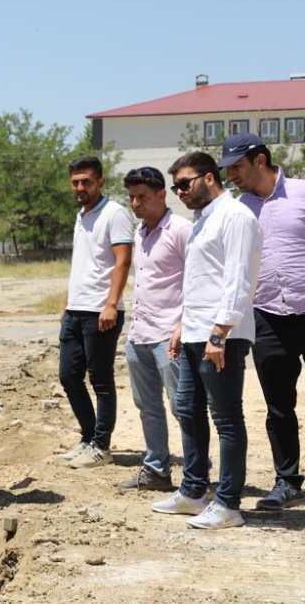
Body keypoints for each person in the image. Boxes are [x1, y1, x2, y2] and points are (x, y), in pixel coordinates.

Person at [151, 151, 262, 530]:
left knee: (227, 419)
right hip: (196, 332)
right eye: (175, 187)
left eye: (184, 183)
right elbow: (201, 279)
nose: (180, 192)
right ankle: (194, 491)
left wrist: (219, 334)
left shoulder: (236, 217)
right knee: (187, 408)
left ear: (209, 178)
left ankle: (228, 504)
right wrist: (182, 324)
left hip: (221, 336)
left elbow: (238, 280)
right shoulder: (202, 221)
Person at [222, 133, 305, 511]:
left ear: (259, 160)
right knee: (279, 405)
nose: (231, 175)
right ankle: (287, 481)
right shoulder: (238, 210)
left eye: (236, 167)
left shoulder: (301, 193)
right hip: (268, 316)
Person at [118, 167, 191, 491]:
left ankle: (196, 476)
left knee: (182, 407)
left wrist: (183, 324)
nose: (136, 203)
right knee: (147, 406)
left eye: (142, 197)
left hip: (170, 336)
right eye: (132, 197)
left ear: (162, 194)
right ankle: (157, 470)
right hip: (140, 335)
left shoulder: (181, 230)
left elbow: (199, 278)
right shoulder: (140, 231)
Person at [58, 156, 133, 468]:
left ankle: (102, 446)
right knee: (68, 376)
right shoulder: (82, 215)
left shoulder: (115, 213)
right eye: (75, 182)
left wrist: (111, 304)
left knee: (100, 379)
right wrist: (68, 304)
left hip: (101, 311)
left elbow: (123, 261)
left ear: (100, 181)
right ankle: (88, 437)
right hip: (76, 310)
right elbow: (85, 263)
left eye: (86, 182)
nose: (80, 187)